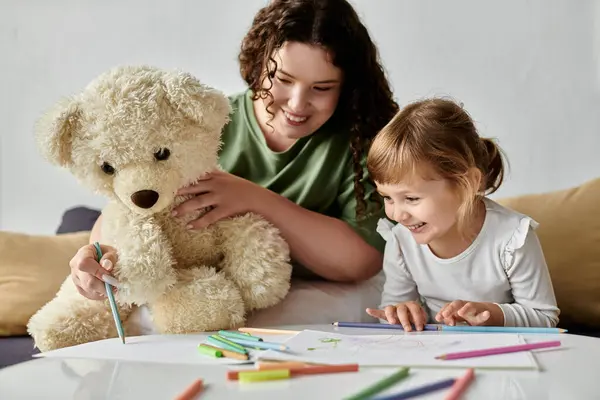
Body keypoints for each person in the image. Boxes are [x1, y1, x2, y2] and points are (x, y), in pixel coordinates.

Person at [68, 0, 399, 303]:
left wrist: (257, 200)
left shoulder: (360, 143)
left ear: (347, 87)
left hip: (298, 301)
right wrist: (95, 256)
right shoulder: (204, 123)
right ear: (257, 65)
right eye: (281, 79)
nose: (297, 104)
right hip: (198, 292)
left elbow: (363, 260)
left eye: (322, 88)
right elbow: (131, 204)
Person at [365, 98, 560, 330]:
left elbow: (544, 317)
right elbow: (391, 311)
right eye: (388, 198)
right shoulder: (400, 240)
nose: (397, 214)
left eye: (411, 199)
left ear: (467, 183)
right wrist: (399, 313)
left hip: (501, 352)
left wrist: (491, 313)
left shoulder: (512, 237)